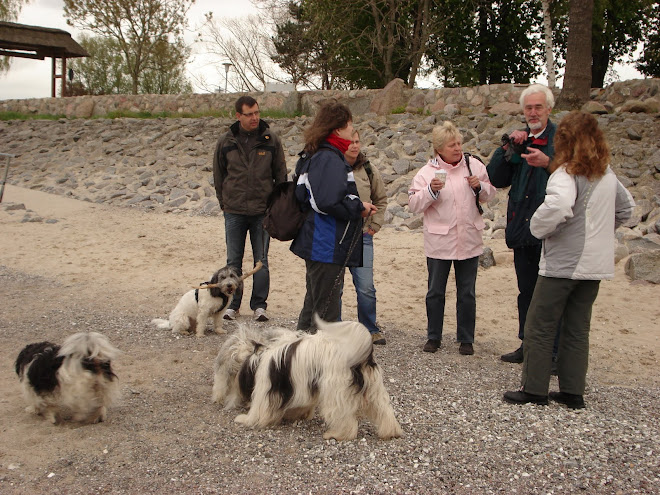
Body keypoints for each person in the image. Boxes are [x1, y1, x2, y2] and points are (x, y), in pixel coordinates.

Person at [503, 111, 635, 409]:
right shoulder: (606, 174)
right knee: (577, 327)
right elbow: (628, 210)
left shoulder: (564, 174)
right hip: (596, 265)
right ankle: (573, 392)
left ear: (563, 141)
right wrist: (598, 231)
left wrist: (538, 228)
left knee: (540, 323)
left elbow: (559, 207)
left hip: (564, 263)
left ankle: (534, 389)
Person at [408, 121, 496, 356]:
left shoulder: (473, 165)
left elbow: (491, 193)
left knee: (467, 292)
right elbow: (413, 204)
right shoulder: (426, 173)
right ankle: (433, 337)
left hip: (469, 239)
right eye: (451, 145)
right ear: (439, 149)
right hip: (439, 243)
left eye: (459, 143)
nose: (457, 148)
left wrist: (481, 188)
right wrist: (430, 191)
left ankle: (466, 339)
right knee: (435, 292)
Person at [291, 101, 377, 333]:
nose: (352, 130)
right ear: (338, 129)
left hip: (320, 242)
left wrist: (354, 204)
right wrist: (358, 207)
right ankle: (317, 365)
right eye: (349, 125)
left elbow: (305, 194)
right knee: (325, 312)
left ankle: (297, 359)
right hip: (326, 244)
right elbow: (325, 202)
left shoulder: (318, 153)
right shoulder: (329, 158)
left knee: (314, 304)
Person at [487, 84, 556, 364]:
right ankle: (527, 345)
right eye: (528, 107)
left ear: (549, 109)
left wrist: (548, 162)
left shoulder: (559, 139)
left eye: (538, 107)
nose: (533, 112)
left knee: (550, 293)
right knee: (526, 290)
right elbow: (495, 178)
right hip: (522, 228)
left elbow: (576, 172)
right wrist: (507, 147)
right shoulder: (519, 139)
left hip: (551, 230)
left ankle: (552, 352)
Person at [213, 95, 287, 322]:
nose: (255, 117)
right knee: (233, 261)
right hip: (234, 211)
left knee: (261, 261)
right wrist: (224, 204)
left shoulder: (271, 140)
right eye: (249, 114)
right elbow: (219, 176)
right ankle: (232, 306)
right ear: (238, 116)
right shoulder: (226, 142)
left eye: (257, 112)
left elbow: (281, 176)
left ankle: (259, 306)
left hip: (261, 212)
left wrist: (275, 207)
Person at [340, 130, 388, 345]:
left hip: (362, 236)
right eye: (349, 142)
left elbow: (381, 199)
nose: (354, 146)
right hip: (337, 237)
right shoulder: (333, 168)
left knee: (366, 287)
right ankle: (335, 328)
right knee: (335, 286)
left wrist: (375, 225)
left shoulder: (368, 168)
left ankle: (370, 328)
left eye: (357, 141)